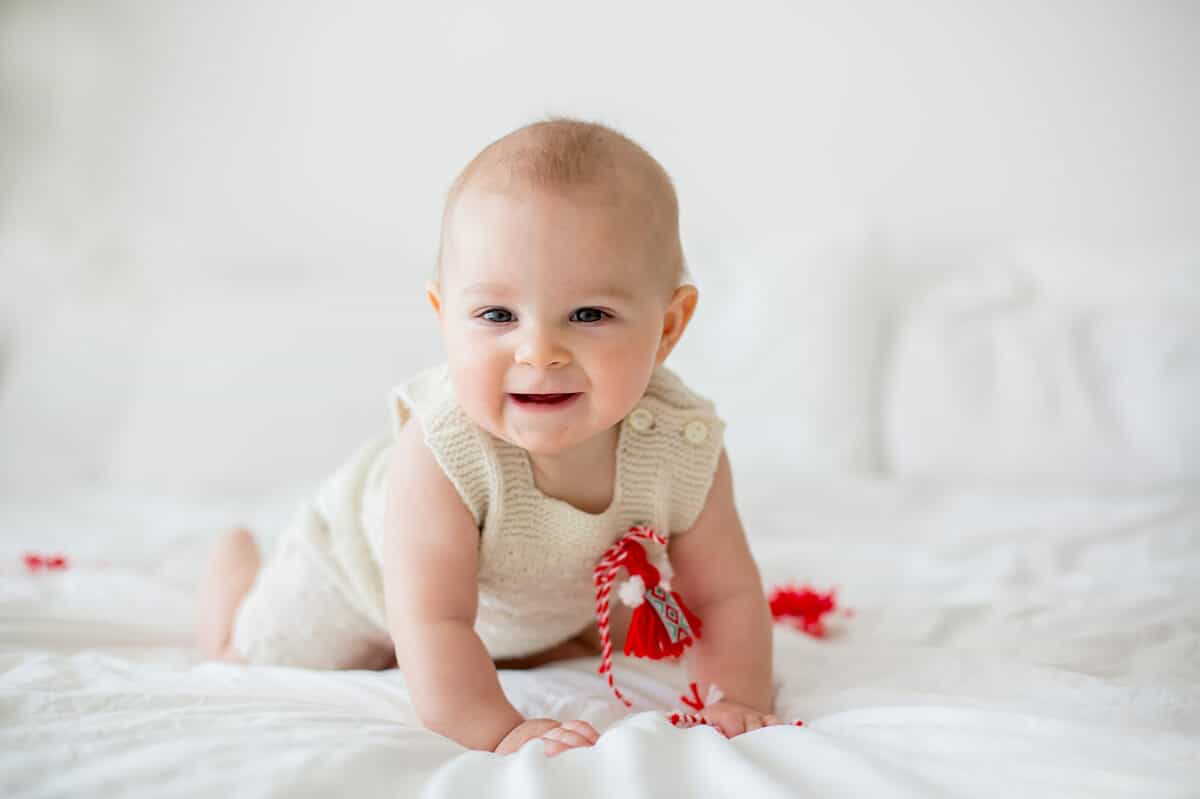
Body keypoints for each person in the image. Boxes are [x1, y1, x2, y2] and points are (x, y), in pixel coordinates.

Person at [195, 116, 781, 757]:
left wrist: (736, 697)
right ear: (446, 318)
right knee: (252, 657)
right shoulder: (445, 451)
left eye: (589, 314)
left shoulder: (683, 446)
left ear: (669, 327)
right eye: (497, 315)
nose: (539, 351)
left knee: (587, 621)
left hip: (520, 602)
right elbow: (432, 619)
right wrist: (498, 729)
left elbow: (725, 595)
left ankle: (536, 635)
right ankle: (234, 571)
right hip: (355, 580)